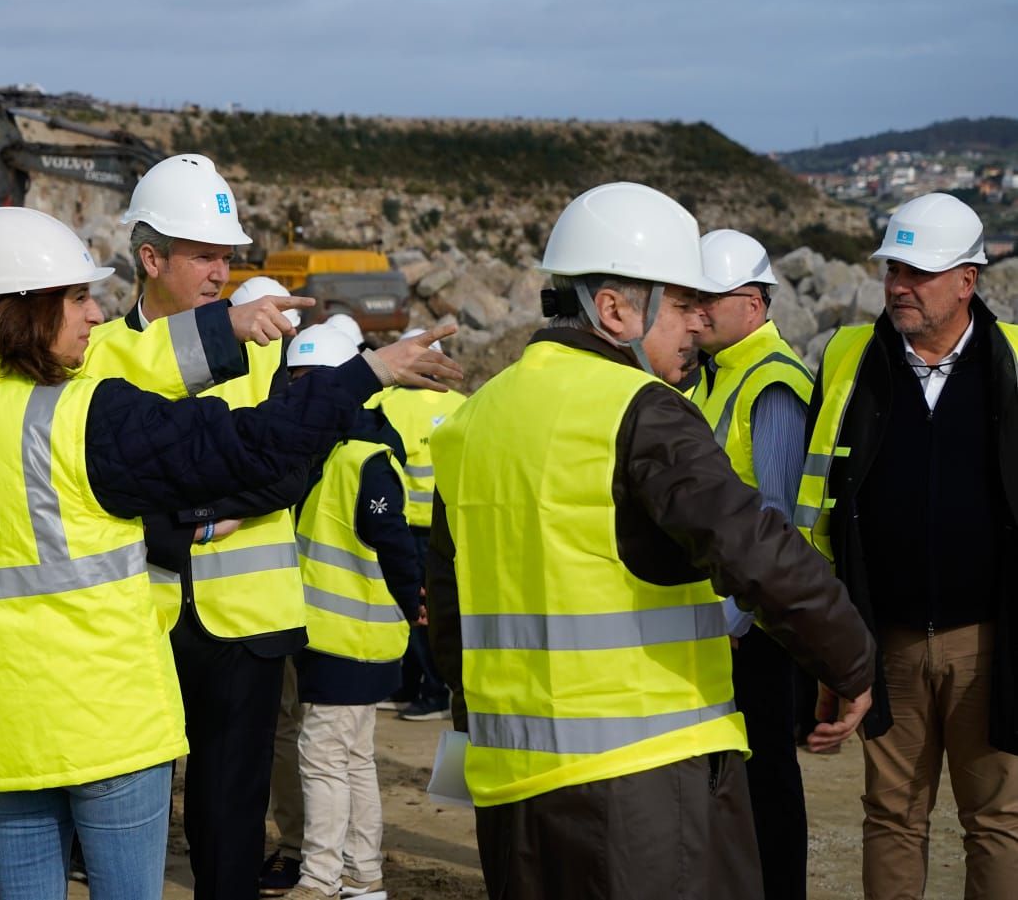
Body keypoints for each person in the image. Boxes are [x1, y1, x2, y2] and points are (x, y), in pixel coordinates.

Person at [0, 206, 459, 900]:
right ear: (24, 310)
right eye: (75, 296)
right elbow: (253, 445)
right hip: (108, 724)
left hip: (4, 725)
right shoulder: (81, 417)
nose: (91, 312)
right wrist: (365, 373)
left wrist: (222, 327)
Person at [426, 181, 877, 900]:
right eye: (683, 303)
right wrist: (850, 659)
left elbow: (450, 627)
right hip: (646, 792)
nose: (698, 325)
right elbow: (754, 545)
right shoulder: (643, 411)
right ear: (614, 308)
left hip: (512, 794)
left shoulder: (472, 419)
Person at [82, 154, 308, 900]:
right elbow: (98, 481)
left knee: (229, 815)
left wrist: (184, 508)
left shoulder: (263, 345)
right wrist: (209, 513)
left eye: (227, 256)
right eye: (205, 255)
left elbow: (288, 465)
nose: (221, 272)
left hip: (246, 624)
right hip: (138, 618)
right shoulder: (99, 353)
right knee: (130, 805)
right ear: (151, 258)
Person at [796, 192, 1018, 899]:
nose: (898, 285)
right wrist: (832, 641)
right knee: (891, 817)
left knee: (998, 820)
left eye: (918, 272)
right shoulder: (847, 359)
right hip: (883, 640)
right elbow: (818, 512)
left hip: (993, 639)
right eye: (894, 267)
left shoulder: (1012, 357)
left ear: (967, 279)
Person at [691, 229, 814, 900]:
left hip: (754, 626)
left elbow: (778, 519)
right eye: (693, 296)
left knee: (766, 775)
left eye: (712, 297)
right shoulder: (714, 377)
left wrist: (736, 615)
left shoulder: (772, 382)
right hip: (719, 621)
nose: (698, 309)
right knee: (729, 777)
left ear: (756, 303)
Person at [281, 325, 421, 900]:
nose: (301, 393)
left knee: (321, 759)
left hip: (346, 640)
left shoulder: (358, 460)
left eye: (309, 382)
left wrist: (415, 602)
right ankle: (362, 877)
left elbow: (394, 543)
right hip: (355, 638)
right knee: (354, 759)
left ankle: (320, 880)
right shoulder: (335, 451)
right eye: (295, 382)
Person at [369, 327, 465, 723]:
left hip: (400, 525)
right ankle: (426, 687)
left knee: (409, 606)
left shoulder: (385, 404)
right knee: (434, 607)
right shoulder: (462, 404)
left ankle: (423, 688)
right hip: (449, 525)